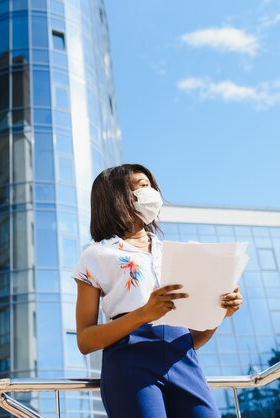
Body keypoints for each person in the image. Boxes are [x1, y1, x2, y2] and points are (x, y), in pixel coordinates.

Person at [72, 163, 244, 418]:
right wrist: (144, 314)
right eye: (142, 186)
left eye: (150, 185)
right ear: (117, 196)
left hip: (184, 360)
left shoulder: (176, 253)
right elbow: (85, 340)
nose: (151, 192)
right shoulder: (97, 254)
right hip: (130, 364)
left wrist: (218, 312)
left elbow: (192, 340)